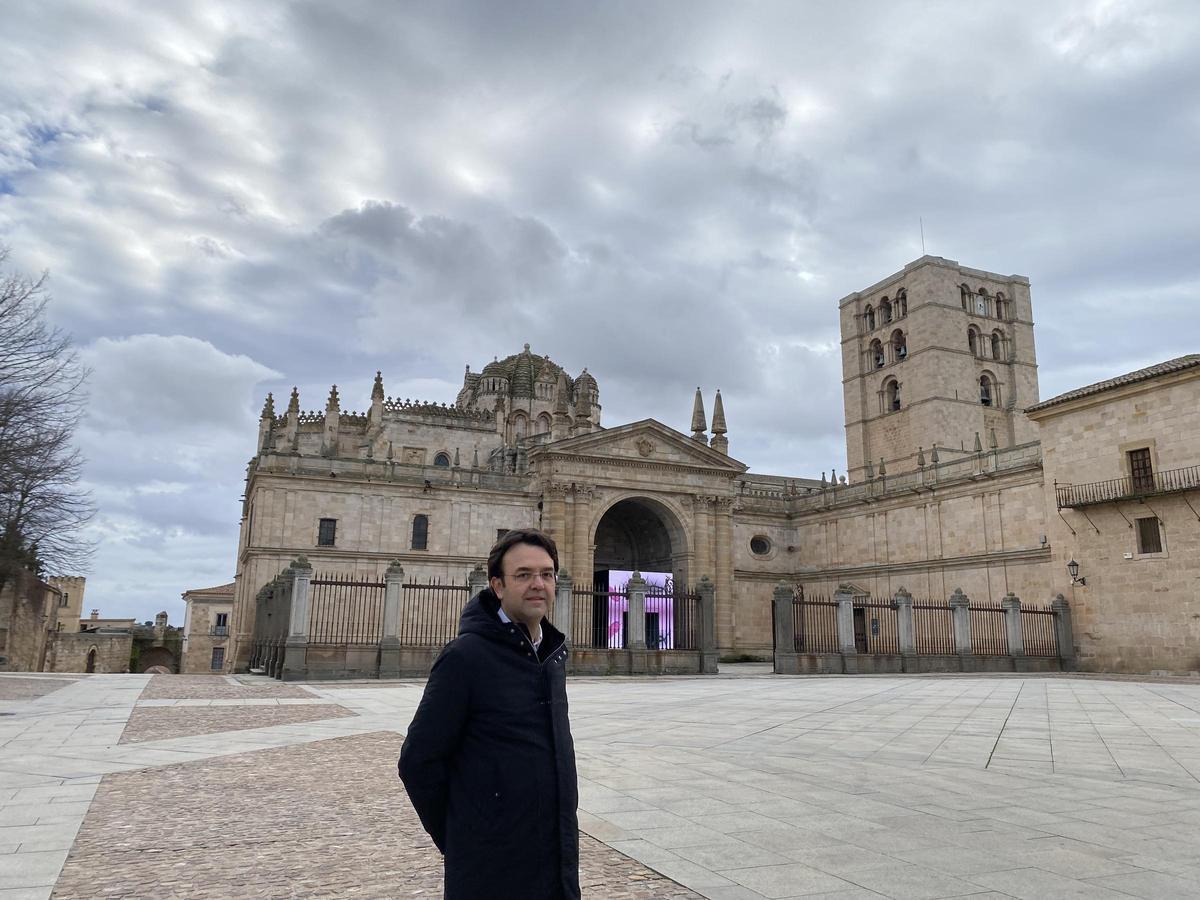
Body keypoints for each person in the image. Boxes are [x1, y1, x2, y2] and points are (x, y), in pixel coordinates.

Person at [399, 528, 580, 899]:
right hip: (489, 871)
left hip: (555, 862)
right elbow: (418, 762)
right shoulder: (465, 656)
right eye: (523, 574)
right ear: (498, 586)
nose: (538, 584)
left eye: (546, 574)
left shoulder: (551, 656)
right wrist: (463, 835)